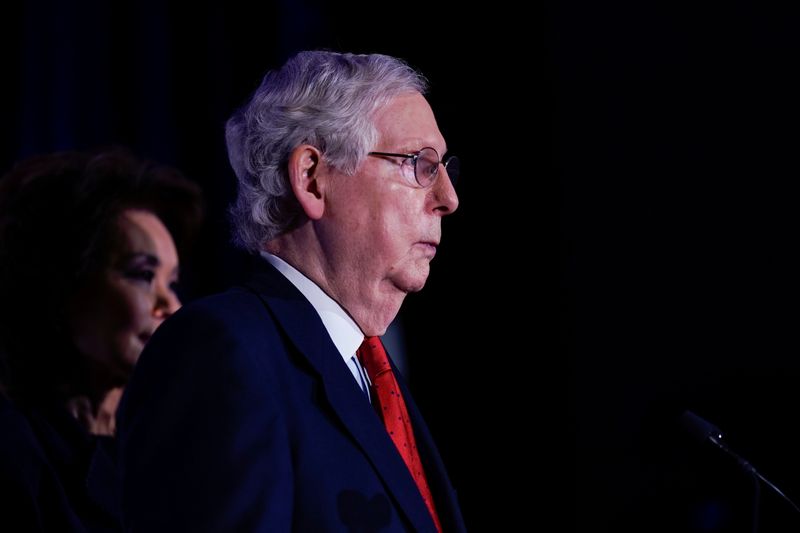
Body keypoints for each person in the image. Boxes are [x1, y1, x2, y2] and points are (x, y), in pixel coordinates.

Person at [117, 50, 466, 532]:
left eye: (444, 167)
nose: (448, 198)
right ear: (311, 179)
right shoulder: (222, 353)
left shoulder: (372, 375)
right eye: (418, 163)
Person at [0, 148, 203, 531]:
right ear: (65, 286)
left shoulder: (174, 456)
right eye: (143, 275)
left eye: (173, 284)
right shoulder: (15, 453)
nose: (171, 306)